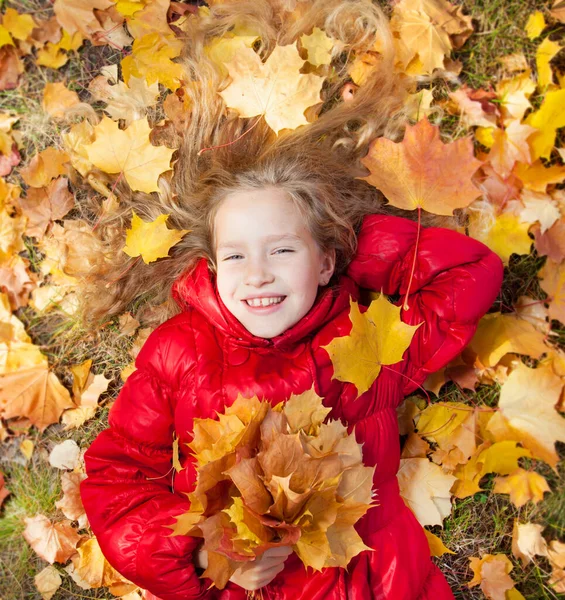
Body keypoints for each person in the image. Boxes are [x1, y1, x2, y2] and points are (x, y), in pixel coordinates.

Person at [78, 0, 504, 598]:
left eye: (282, 252)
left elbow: (468, 273)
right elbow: (115, 471)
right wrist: (202, 554)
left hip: (371, 576)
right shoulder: (180, 351)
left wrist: (356, 244)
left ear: (325, 259)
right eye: (236, 255)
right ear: (212, 265)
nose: (257, 274)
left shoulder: (368, 338)